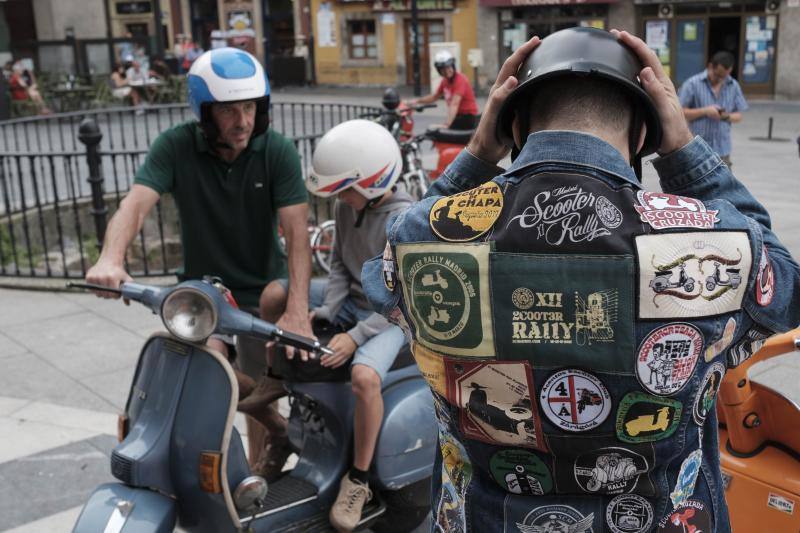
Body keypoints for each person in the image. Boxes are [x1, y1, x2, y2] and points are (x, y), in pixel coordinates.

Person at [362, 27, 799, 533]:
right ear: (645, 132)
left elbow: (388, 270)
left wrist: (477, 156)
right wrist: (684, 150)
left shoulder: (419, 239)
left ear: (513, 126)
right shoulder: (714, 242)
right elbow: (784, 287)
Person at [85, 47, 314, 481]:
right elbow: (135, 205)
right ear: (205, 113)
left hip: (262, 288)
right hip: (205, 294)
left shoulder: (277, 150)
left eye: (250, 107)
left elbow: (298, 233)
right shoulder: (175, 146)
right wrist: (111, 259)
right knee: (203, 373)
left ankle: (257, 482)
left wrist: (297, 310)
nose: (243, 121)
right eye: (228, 110)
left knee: (256, 387)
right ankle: (270, 437)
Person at [261, 119, 411, 531]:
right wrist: (329, 310)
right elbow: (341, 265)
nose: (339, 199)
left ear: (373, 181)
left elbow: (400, 297)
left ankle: (358, 479)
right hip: (356, 303)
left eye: (345, 189)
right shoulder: (349, 207)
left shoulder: (404, 222)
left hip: (392, 315)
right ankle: (275, 379)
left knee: (364, 376)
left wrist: (354, 337)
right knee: (281, 304)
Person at [679, 51, 748, 167]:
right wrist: (705, 111)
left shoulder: (733, 85)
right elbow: (680, 112)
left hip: (723, 150)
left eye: (724, 77)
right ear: (710, 66)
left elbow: (739, 116)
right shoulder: (692, 84)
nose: (720, 80)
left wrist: (724, 116)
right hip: (698, 150)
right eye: (717, 75)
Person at [407, 50, 479, 130]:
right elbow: (434, 97)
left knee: (436, 132)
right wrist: (417, 101)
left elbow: (454, 104)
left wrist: (447, 125)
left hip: (467, 118)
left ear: (453, 66)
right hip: (457, 117)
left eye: (448, 67)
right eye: (443, 69)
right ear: (439, 71)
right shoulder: (445, 81)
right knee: (433, 131)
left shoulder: (460, 80)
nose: (447, 71)